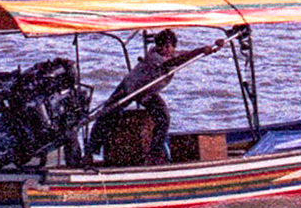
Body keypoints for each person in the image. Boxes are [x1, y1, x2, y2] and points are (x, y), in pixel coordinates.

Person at [94, 29, 225, 165]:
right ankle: (91, 152)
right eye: (160, 46)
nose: (164, 50)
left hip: (147, 91)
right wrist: (200, 51)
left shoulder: (173, 53)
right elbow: (174, 61)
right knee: (107, 114)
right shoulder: (154, 56)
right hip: (130, 88)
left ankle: (154, 154)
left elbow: (186, 54)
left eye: (167, 46)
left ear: (173, 46)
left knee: (163, 117)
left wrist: (213, 48)